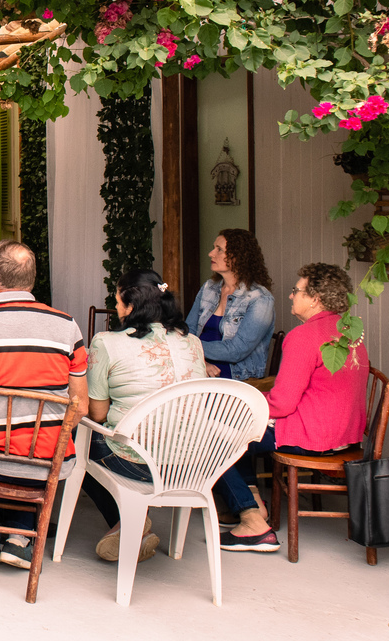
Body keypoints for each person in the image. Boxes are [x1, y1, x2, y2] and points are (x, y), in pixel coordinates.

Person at [0, 240, 87, 570]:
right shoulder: (68, 326)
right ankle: (19, 537)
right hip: (47, 462)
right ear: (32, 280)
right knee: (31, 452)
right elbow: (80, 407)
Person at [214, 263, 369, 553]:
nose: (290, 295)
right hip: (345, 436)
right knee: (235, 427)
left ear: (315, 299)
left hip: (310, 436)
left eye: (296, 291)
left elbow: (282, 404)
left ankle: (252, 521)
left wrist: (241, 405)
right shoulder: (348, 330)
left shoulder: (304, 336)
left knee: (213, 437)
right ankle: (252, 504)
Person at [82, 269, 206, 562]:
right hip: (193, 464)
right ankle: (132, 526)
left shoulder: (106, 342)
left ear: (130, 306)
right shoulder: (193, 342)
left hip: (138, 464)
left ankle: (130, 525)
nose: (116, 307)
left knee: (76, 436)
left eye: (117, 301)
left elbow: (97, 413)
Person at [186, 229, 275, 381]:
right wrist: (202, 362)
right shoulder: (209, 288)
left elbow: (237, 351)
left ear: (238, 257)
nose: (211, 254)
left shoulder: (260, 299)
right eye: (214, 248)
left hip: (235, 377)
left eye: (219, 249)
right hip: (199, 366)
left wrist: (191, 347)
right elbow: (189, 331)